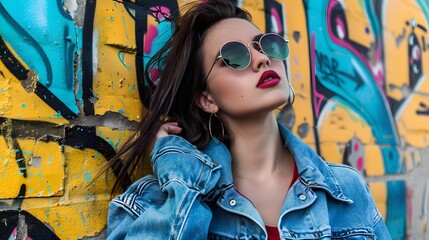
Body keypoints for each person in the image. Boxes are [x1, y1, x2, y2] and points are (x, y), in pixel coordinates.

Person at [106, 0, 392, 239]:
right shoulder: (158, 200)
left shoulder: (346, 190)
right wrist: (181, 174)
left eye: (264, 45)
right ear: (207, 99)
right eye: (233, 57)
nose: (261, 59)